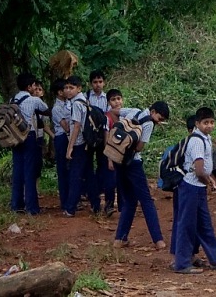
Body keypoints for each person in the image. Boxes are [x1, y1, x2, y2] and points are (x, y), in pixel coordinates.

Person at [172, 109, 216, 274]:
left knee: (204, 225)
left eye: (212, 122)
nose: (209, 126)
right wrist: (209, 183)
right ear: (197, 124)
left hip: (198, 188)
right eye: (205, 123)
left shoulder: (205, 139)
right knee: (186, 225)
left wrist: (209, 181)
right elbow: (199, 170)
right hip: (190, 187)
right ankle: (182, 263)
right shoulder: (196, 141)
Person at [113, 100, 170, 250]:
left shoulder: (133, 110)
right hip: (133, 162)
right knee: (146, 201)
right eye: (160, 118)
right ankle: (158, 240)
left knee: (129, 201)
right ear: (153, 112)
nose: (159, 122)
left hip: (118, 158)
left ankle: (119, 239)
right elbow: (140, 147)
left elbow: (116, 112)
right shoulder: (149, 123)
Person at [168, 113, 206, 269]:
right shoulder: (191, 143)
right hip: (184, 188)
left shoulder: (193, 143)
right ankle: (177, 257)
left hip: (189, 188)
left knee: (192, 221)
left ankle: (191, 254)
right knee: (183, 221)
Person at [10, 73, 49, 215]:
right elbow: (45, 109)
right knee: (30, 171)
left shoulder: (12, 99)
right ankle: (32, 207)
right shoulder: (34, 100)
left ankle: (16, 205)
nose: (35, 88)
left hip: (15, 138)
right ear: (29, 86)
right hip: (30, 136)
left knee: (18, 170)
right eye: (34, 85)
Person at [86, 70, 114, 216]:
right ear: (91, 83)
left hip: (104, 137)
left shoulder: (108, 99)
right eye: (95, 82)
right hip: (90, 139)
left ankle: (109, 204)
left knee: (106, 169)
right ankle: (94, 204)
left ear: (104, 82)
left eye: (100, 82)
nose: (98, 85)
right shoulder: (85, 98)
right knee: (90, 171)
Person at [61, 76, 90, 217]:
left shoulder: (77, 104)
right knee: (88, 174)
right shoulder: (84, 101)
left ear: (79, 88)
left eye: (71, 88)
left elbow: (76, 126)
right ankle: (95, 204)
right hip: (85, 143)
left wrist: (70, 147)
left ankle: (70, 207)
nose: (68, 90)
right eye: (66, 88)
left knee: (75, 175)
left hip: (78, 143)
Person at [51, 78, 71, 211]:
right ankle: (65, 202)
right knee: (63, 170)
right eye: (66, 88)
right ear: (59, 92)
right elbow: (66, 127)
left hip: (68, 138)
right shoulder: (57, 108)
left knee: (70, 169)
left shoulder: (69, 103)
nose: (68, 90)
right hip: (62, 138)